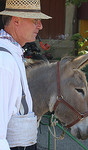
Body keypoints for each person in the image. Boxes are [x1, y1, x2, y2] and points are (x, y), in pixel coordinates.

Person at [0, 0, 51, 150]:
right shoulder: (4, 61)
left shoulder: (12, 53)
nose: (40, 26)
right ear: (16, 20)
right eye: (35, 20)